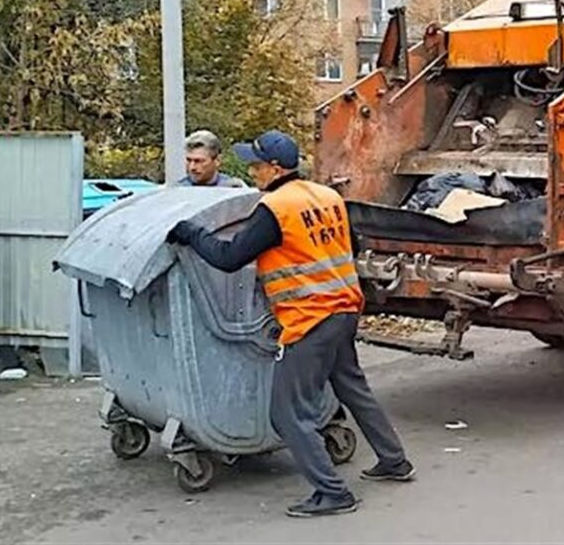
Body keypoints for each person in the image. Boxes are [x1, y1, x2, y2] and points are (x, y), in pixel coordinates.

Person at [166, 130, 414, 517]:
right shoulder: (327, 196)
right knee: (352, 387)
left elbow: (230, 257)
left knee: (286, 413)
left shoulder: (276, 207)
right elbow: (353, 245)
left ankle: (333, 492)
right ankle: (394, 460)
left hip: (309, 320)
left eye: (256, 165)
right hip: (344, 310)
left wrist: (191, 233)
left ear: (275, 168)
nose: (252, 171)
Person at [178, 130, 245, 187]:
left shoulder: (233, 189)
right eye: (188, 160)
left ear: (217, 161)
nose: (192, 167)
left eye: (198, 161)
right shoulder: (178, 190)